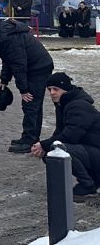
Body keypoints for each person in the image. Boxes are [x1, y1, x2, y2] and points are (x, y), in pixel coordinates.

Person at [31, 73, 100, 202]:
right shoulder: (64, 104)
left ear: (66, 89)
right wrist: (44, 146)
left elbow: (71, 136)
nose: (52, 93)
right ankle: (93, 180)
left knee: (60, 150)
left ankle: (88, 184)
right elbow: (59, 133)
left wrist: (44, 145)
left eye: (55, 89)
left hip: (96, 151)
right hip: (93, 151)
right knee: (52, 151)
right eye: (49, 89)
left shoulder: (78, 105)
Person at [0, 15, 55, 154]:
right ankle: (31, 137)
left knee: (31, 103)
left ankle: (29, 140)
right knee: (33, 105)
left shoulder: (8, 36)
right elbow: (7, 59)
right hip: (37, 67)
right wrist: (4, 80)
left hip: (38, 69)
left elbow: (18, 64)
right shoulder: (2, 35)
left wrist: (24, 89)